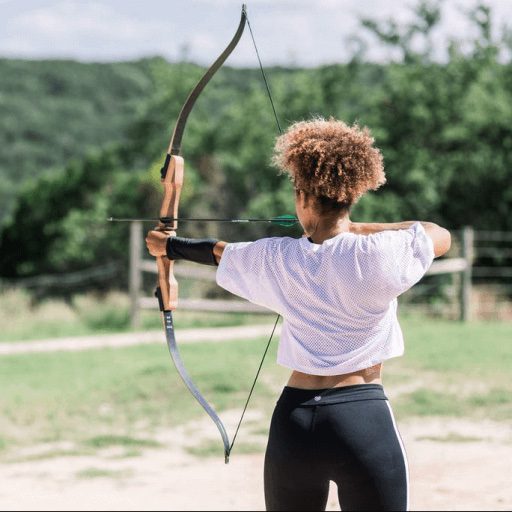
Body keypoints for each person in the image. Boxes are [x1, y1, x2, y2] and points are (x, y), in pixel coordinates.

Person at [146, 118, 451, 511]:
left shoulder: (277, 257)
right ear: (354, 191)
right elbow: (435, 233)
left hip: (293, 423)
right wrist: (358, 228)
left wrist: (168, 246)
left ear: (301, 194)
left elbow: (215, 251)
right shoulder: (382, 254)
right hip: (361, 418)